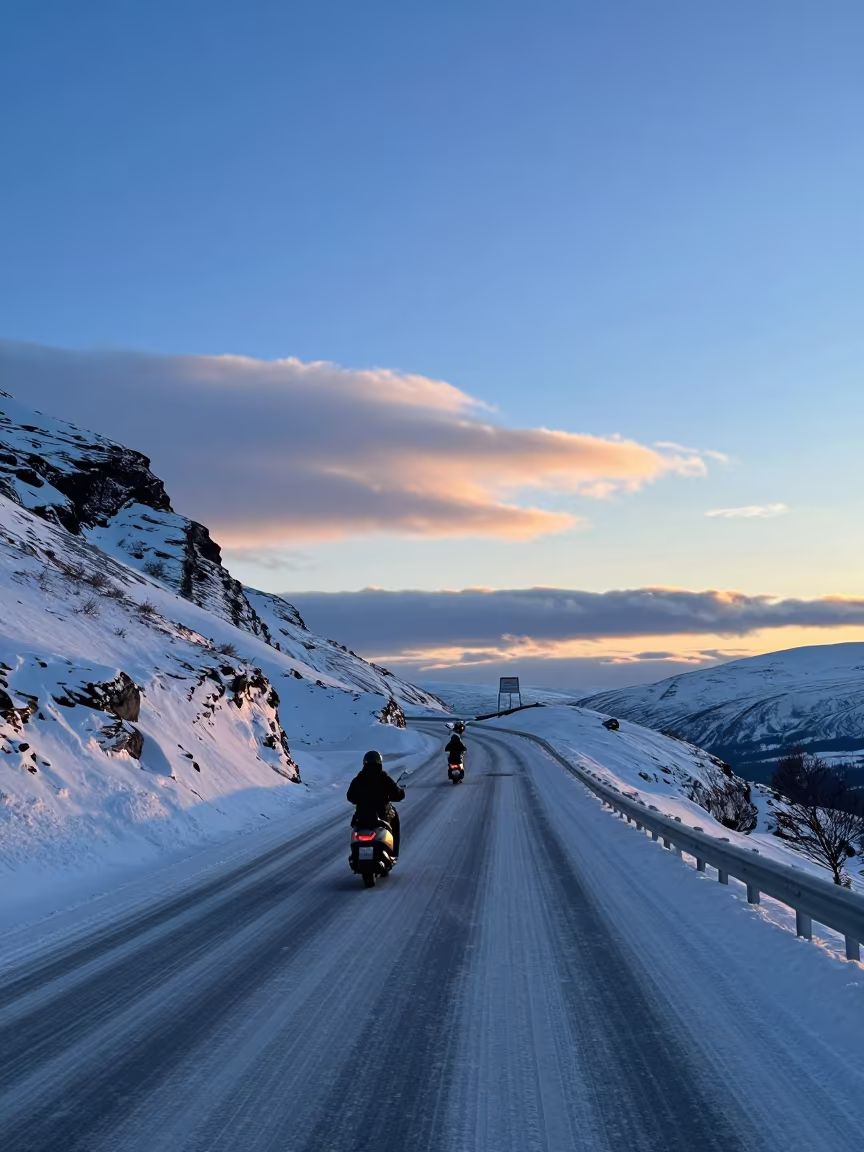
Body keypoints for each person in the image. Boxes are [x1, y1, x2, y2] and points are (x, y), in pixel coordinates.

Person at [347, 750, 405, 858]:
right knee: (394, 819)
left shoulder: (359, 779)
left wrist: (359, 799)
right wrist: (397, 794)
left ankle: (356, 853)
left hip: (362, 815)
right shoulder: (384, 778)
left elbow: (350, 796)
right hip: (381, 814)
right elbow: (398, 794)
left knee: (356, 827)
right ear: (379, 763)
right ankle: (393, 854)